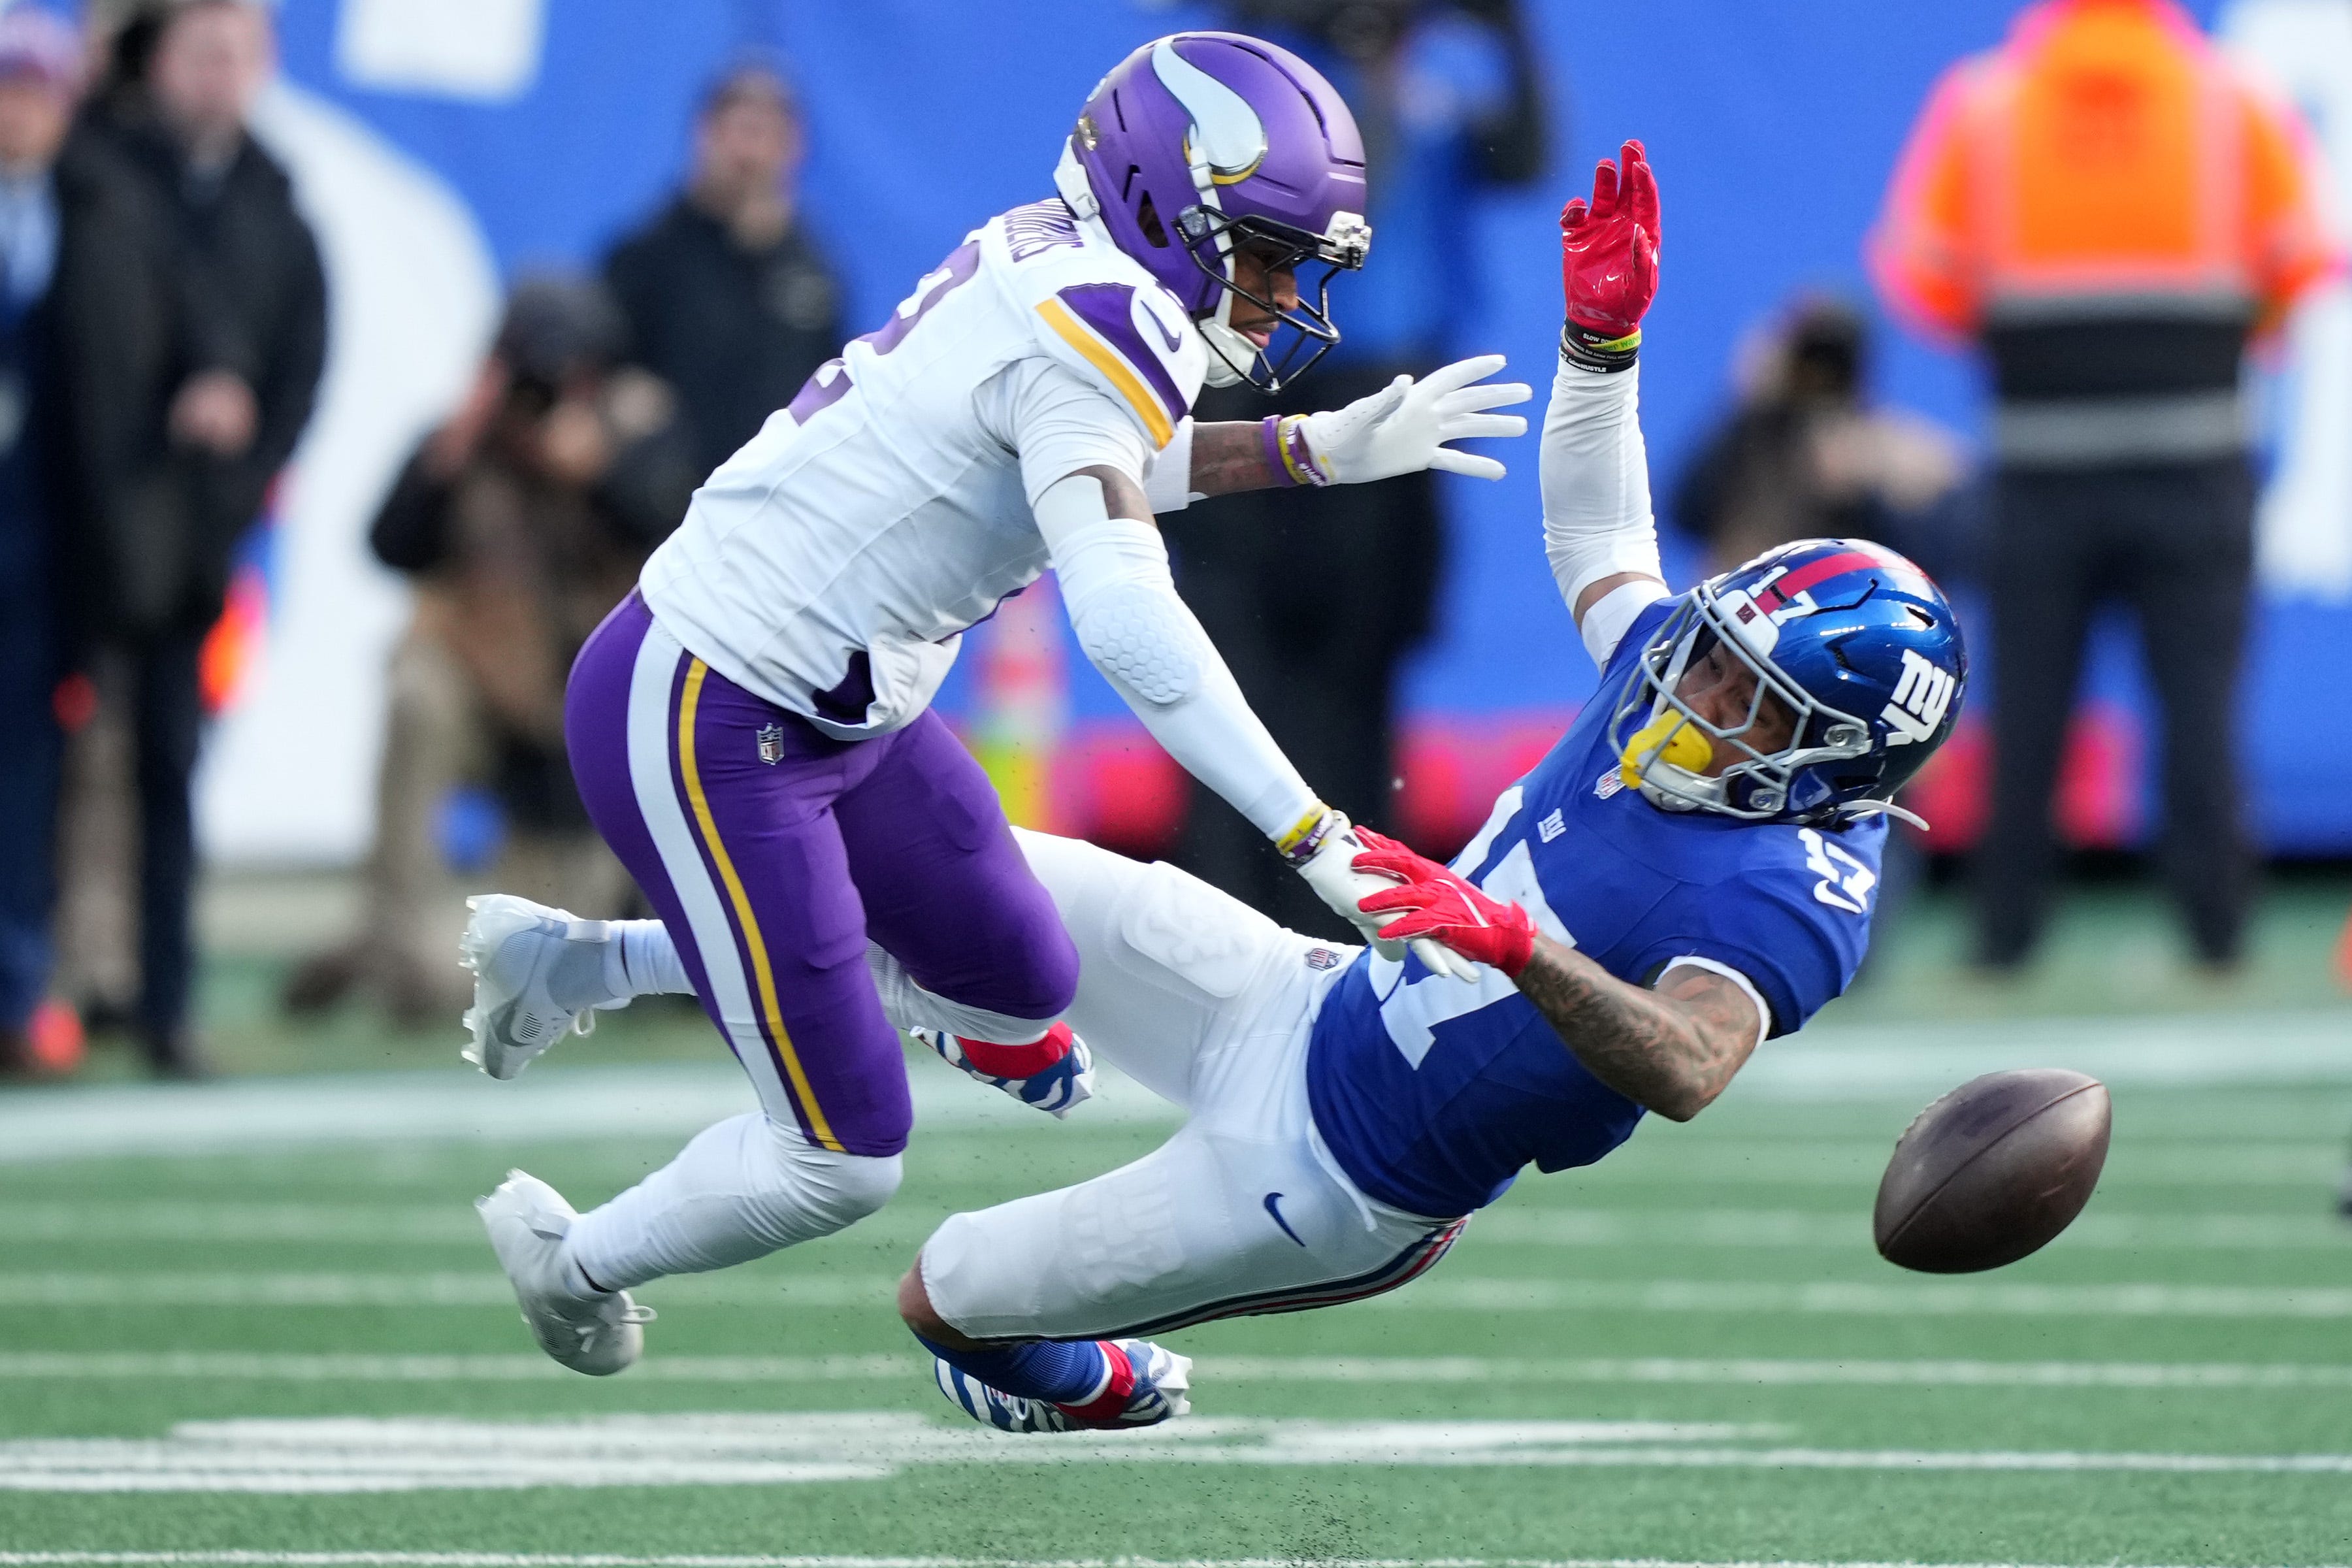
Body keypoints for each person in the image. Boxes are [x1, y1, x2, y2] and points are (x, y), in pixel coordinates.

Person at [465, 144, 1970, 1426]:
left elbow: (1690, 1064)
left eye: (1741, 699)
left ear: (1834, 760)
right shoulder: (1670, 684)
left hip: (1340, 1169)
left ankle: (1051, 1370)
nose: (1688, 692)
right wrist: (1601, 351)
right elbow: (1602, 543)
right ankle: (589, 960)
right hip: (1299, 989)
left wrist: (1525, 950)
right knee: (947, 901)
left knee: (949, 1287)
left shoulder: (1792, 893)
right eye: (1710, 656)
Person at [458, 30, 1529, 1375]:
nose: (1282, 294)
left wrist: (1311, 447)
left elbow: (1094, 458)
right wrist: (1313, 834)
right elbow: (1131, 619)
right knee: (837, 1159)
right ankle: (569, 1262)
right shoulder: (1110, 316)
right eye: (1263, 253)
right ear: (1164, 202)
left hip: (841, 711)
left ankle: (576, 960)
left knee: (1025, 985)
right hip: (706, 711)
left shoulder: (1075, 267)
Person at [1869, 0, 2337, 972]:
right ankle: (2220, 937)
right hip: (2197, 459)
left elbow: (1918, 273)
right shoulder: (2228, 100)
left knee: (2028, 712)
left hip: (2040, 464)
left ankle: (2004, 943)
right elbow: (2307, 257)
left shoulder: (1988, 106)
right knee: (2202, 715)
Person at [1171, 0, 1550, 928]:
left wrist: (1506, 31)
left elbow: (1527, 159)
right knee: (1234, 657)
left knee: (1365, 661)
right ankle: (1228, 905)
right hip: (1259, 385)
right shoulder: (1264, 80)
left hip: (1391, 396)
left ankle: (1350, 904)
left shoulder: (1437, 83)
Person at [280, 278, 702, 1024]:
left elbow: (670, 530)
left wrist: (596, 471)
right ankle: (394, 934)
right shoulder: (469, 444)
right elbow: (389, 543)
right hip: (479, 693)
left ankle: (373, 958)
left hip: (577, 729)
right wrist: (460, 444)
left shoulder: (638, 432)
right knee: (417, 689)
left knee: (537, 983)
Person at [48, 0, 327, 1074]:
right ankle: (64, 982)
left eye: (240, 52)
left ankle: (165, 1000)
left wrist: (240, 485)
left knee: (171, 762)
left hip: (198, 538)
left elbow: (299, 363)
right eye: (200, 47)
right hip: (76, 523)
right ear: (152, 57)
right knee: (58, 762)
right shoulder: (95, 170)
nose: (220, 72)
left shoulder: (272, 205)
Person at [603, 59, 844, 480]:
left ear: (794, 149)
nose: (749, 155)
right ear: (704, 135)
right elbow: (596, 378)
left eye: (766, 136)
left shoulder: (814, 277)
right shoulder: (647, 258)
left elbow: (831, 395)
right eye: (739, 132)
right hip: (658, 514)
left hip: (770, 505)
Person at [0, 11, 80, 1074]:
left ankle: (18, 989)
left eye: (33, 89)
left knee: (27, 778)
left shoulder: (93, 214)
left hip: (37, 541)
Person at [1674, 297, 1965, 578]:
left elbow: (1934, 565)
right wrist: (1748, 403)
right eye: (1809, 362)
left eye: (1832, 363)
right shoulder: (1752, 434)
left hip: (1851, 618)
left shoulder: (1895, 450)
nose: (1819, 377)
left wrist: (1862, 494)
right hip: (1746, 616)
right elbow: (1683, 513)